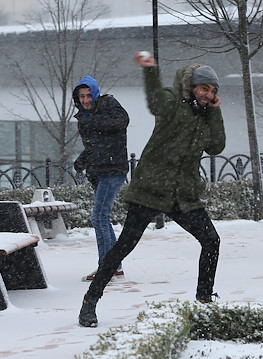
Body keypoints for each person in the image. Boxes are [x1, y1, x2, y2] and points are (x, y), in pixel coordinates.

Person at [78, 53, 226, 327]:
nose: (208, 94)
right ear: (192, 86)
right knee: (124, 246)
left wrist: (215, 110)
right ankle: (90, 301)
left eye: (213, 91)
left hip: (183, 194)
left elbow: (217, 146)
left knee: (211, 241)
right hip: (153, 188)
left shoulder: (206, 116)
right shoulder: (173, 102)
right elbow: (156, 101)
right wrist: (150, 71)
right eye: (204, 88)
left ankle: (204, 301)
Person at [73, 76, 130, 282]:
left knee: (99, 217)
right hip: (99, 171)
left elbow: (122, 121)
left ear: (95, 93)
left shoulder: (108, 103)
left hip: (113, 169)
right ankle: (115, 265)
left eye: (89, 95)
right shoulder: (84, 116)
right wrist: (82, 160)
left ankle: (105, 268)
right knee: (102, 217)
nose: (86, 100)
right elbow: (96, 145)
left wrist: (92, 120)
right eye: (82, 96)